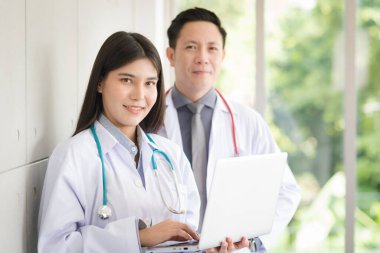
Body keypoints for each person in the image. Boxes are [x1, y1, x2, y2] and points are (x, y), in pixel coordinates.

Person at [37, 31, 201, 253]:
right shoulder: (73, 156)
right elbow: (56, 247)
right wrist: (139, 237)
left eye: (150, 83)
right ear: (100, 83)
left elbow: (188, 240)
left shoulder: (171, 155)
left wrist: (212, 247)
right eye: (126, 80)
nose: (139, 95)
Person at [159, 7, 302, 252]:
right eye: (191, 46)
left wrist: (254, 243)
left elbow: (287, 190)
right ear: (171, 55)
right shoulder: (146, 121)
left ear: (222, 56)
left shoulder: (247, 121)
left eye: (212, 48)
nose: (203, 57)